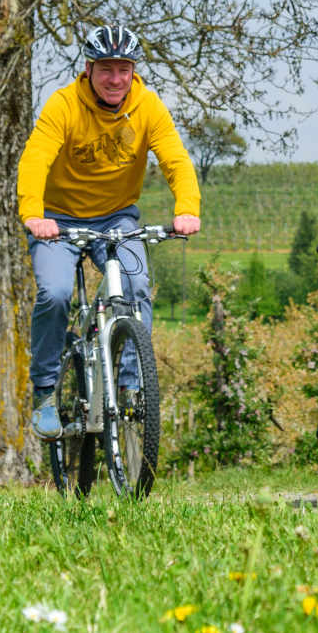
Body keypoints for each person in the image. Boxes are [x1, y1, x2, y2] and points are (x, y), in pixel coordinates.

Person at [17, 24, 202, 437]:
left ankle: (132, 387)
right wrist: (33, 214)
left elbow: (175, 159)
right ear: (89, 69)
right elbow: (35, 159)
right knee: (56, 293)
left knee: (136, 287)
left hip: (116, 216)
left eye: (124, 69)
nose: (116, 79)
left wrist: (187, 209)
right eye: (106, 69)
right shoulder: (64, 105)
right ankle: (45, 391)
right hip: (56, 219)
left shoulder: (148, 107)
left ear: (134, 71)